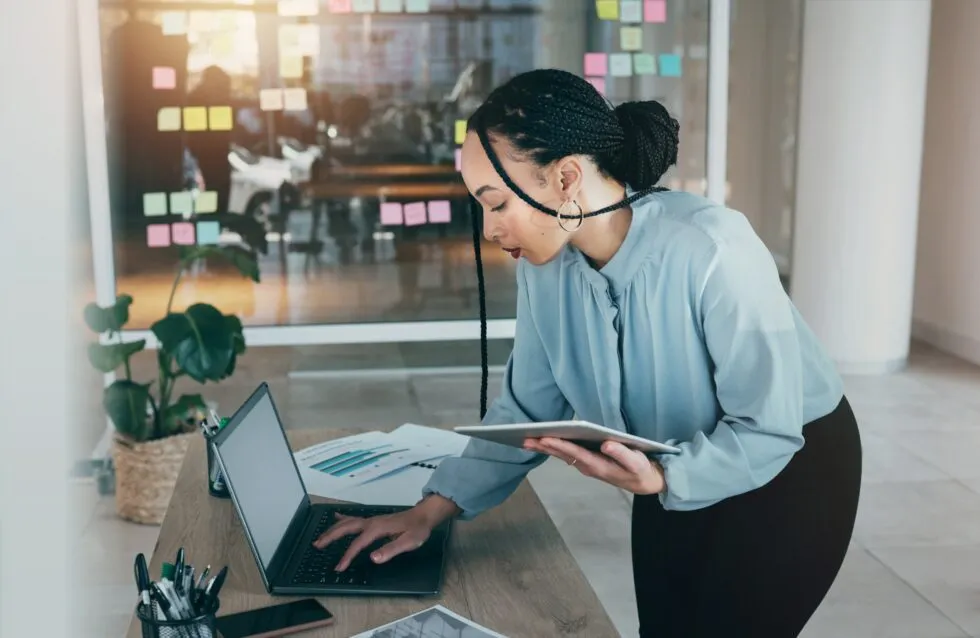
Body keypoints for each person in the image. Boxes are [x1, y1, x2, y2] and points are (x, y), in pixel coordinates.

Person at [313, 69, 862, 637]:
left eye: (497, 203)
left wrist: (664, 479)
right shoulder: (546, 267)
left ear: (567, 177)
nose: (490, 229)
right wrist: (433, 509)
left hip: (789, 467)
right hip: (661, 469)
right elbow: (526, 408)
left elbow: (768, 427)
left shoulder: (712, 248)